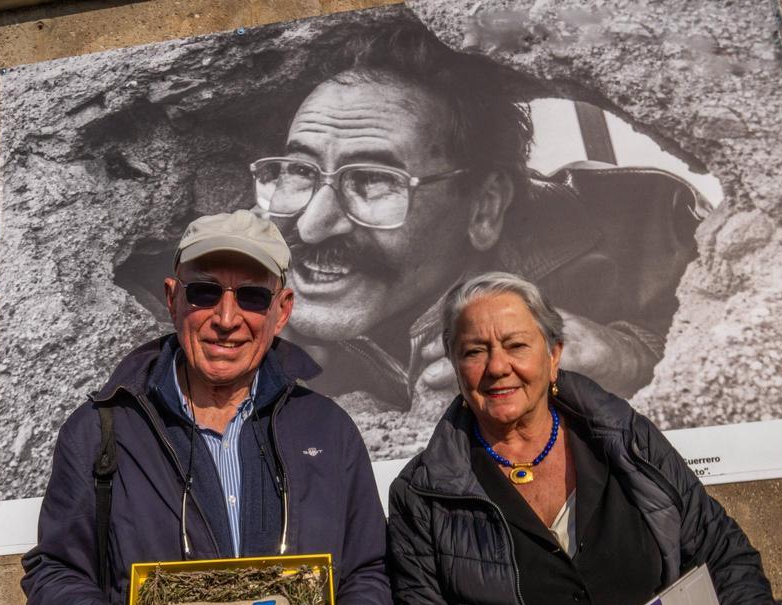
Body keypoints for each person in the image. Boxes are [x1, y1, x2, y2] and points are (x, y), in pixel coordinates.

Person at [21, 210, 391, 605]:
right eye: (203, 292)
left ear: (282, 310)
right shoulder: (100, 431)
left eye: (250, 296)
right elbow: (55, 570)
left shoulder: (330, 428)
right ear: (172, 300)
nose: (226, 318)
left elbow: (372, 569)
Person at [385, 272, 782, 605]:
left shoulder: (625, 441)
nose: (497, 367)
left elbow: (727, 558)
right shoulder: (425, 493)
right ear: (455, 366)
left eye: (515, 345)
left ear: (554, 354)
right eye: (474, 351)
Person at [250, 18, 702, 406]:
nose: (310, 228)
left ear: (484, 207)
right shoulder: (242, 269)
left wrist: (628, 358)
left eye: (373, 180)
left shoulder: (652, 226)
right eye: (299, 170)